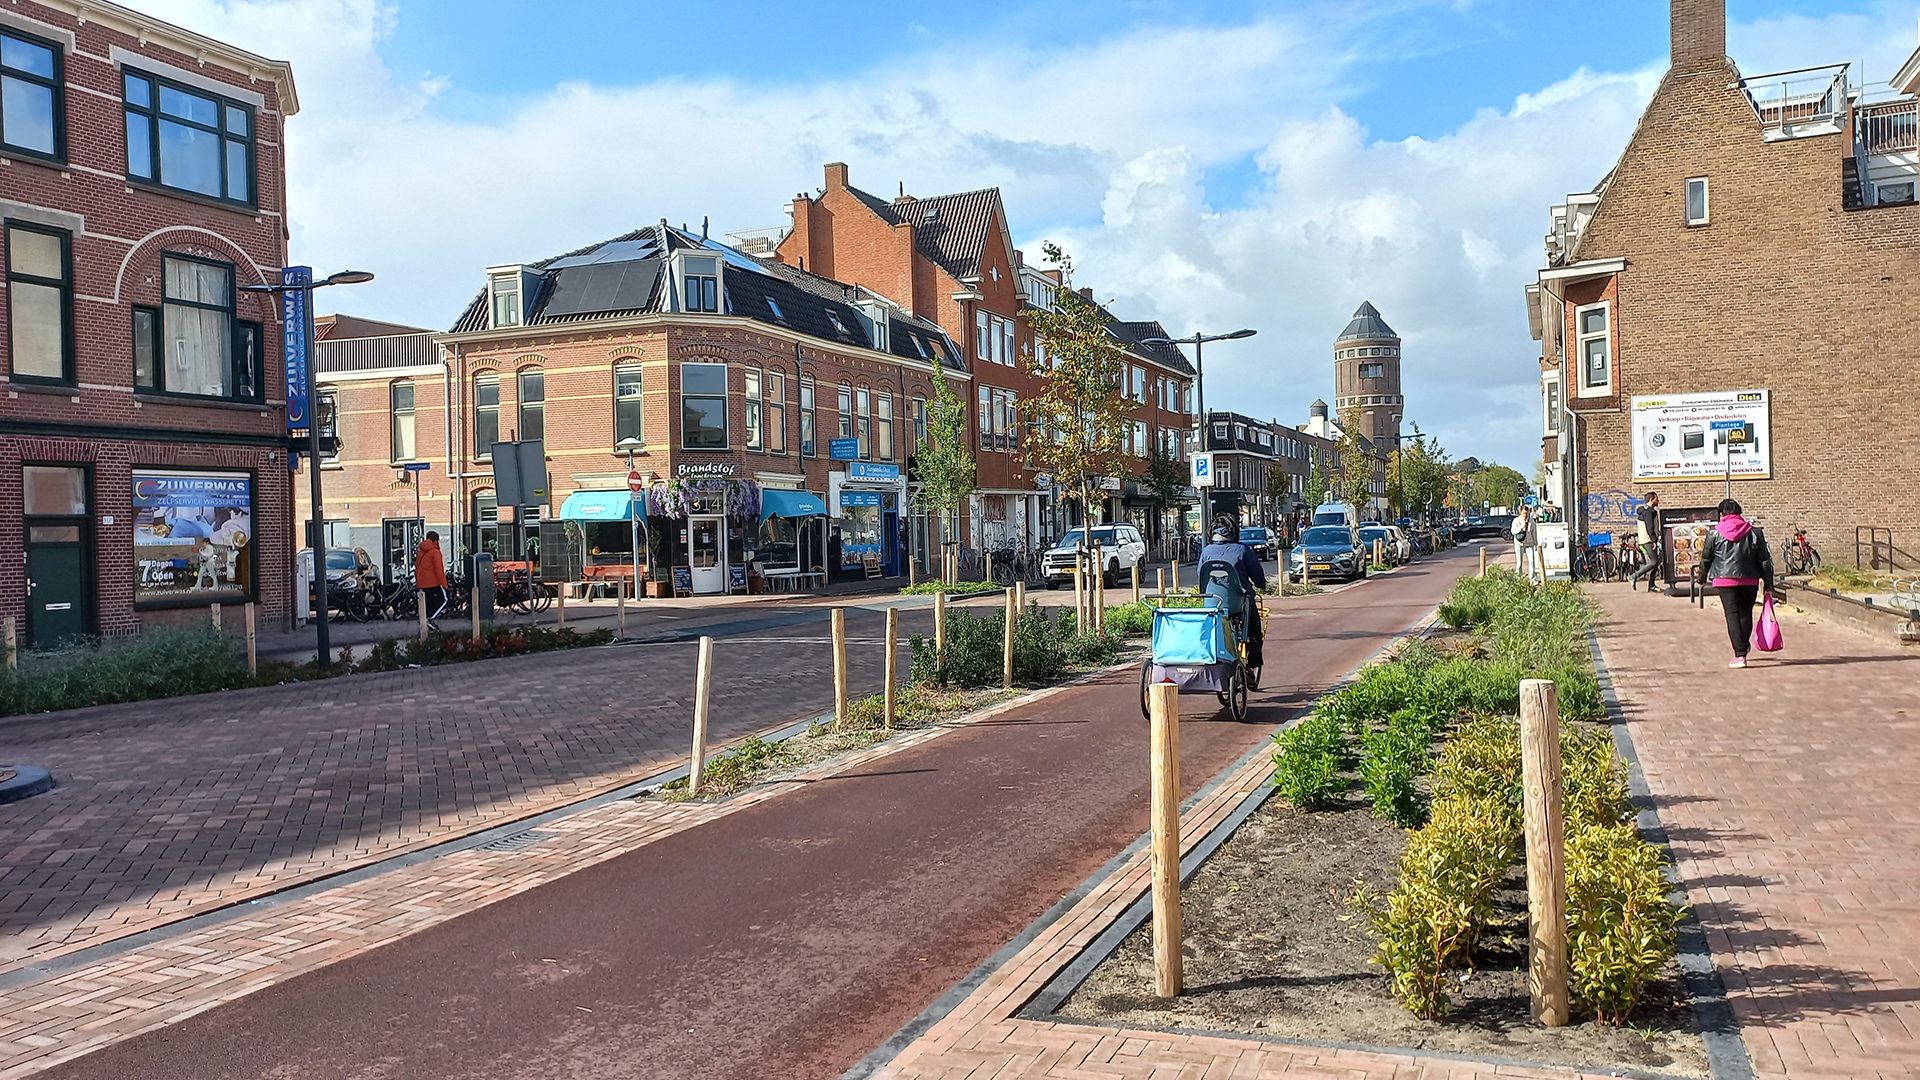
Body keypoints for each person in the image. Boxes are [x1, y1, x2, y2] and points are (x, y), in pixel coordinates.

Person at [1695, 498, 1774, 669]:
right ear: (1740, 513)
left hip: (1724, 580)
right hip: (1750, 578)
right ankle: (1743, 646)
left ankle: (1740, 654)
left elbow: (1706, 558)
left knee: (1732, 614)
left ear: (1721, 514)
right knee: (1746, 613)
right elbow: (1765, 560)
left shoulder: (1714, 533)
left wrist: (1701, 577)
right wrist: (1768, 584)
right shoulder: (1755, 532)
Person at [1198, 517, 1267, 670]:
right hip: (1239, 605)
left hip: (1212, 606)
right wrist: (1261, 584)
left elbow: (1201, 576)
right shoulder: (1242, 550)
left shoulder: (1206, 551)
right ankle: (1251, 666)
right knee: (1255, 633)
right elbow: (1257, 576)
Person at [1629, 491, 1662, 591]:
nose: (1658, 500)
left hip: (1646, 540)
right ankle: (1634, 576)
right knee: (1654, 562)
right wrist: (1654, 540)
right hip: (1648, 540)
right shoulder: (1648, 512)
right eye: (1656, 498)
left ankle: (1651, 585)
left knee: (1656, 562)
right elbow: (1649, 526)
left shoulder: (1647, 511)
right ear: (1651, 500)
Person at [415, 530, 449, 629]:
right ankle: (429, 619)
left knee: (428, 602)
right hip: (433, 582)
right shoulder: (435, 552)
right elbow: (439, 570)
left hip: (422, 583)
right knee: (444, 600)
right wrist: (444, 584)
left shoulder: (420, 552)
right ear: (436, 541)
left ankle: (425, 621)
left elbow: (417, 567)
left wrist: (418, 581)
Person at [1511, 506, 1539, 583]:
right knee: (1519, 562)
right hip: (1519, 543)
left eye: (1527, 513)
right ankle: (1518, 578)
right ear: (1521, 512)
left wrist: (1535, 543)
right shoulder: (1516, 521)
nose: (1525, 515)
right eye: (1524, 513)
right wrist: (1521, 528)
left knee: (1531, 561)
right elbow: (1513, 531)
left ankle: (1532, 578)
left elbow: (1534, 533)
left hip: (1529, 543)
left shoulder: (1531, 521)